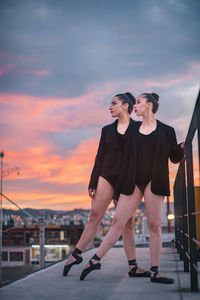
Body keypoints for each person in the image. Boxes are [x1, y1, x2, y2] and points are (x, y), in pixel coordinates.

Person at [80, 92, 184, 284]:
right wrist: (114, 188)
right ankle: (94, 261)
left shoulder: (167, 131)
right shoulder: (132, 132)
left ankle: (154, 271)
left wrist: (182, 148)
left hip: (155, 181)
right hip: (133, 182)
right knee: (118, 221)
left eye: (138, 102)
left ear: (149, 105)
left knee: (154, 225)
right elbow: (124, 162)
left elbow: (174, 157)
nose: (134, 105)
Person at [63, 92, 150, 278]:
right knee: (95, 215)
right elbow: (99, 157)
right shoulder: (106, 130)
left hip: (127, 181)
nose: (110, 107)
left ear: (125, 106)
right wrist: (93, 181)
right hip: (107, 175)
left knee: (127, 224)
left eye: (114, 103)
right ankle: (76, 255)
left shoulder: (139, 128)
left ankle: (133, 266)